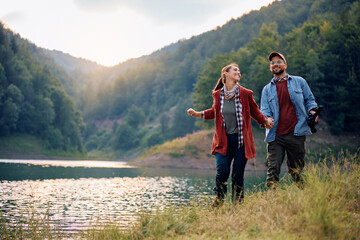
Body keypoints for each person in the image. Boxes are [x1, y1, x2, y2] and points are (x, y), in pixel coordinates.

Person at [187, 63, 274, 205]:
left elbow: (255, 111)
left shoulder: (246, 94)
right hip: (223, 141)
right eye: (235, 70)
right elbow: (214, 112)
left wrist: (265, 121)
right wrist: (197, 114)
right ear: (225, 74)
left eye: (239, 70)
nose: (238, 72)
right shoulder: (217, 95)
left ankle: (237, 205)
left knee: (237, 175)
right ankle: (219, 199)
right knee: (222, 171)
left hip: (241, 142)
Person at [260, 51, 319, 189]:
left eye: (279, 61)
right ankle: (271, 203)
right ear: (270, 67)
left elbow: (310, 100)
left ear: (285, 65)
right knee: (272, 170)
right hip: (275, 135)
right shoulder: (267, 89)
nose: (275, 64)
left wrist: (313, 111)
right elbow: (264, 110)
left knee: (296, 171)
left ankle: (307, 196)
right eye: (272, 63)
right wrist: (266, 118)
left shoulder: (299, 82)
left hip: (296, 133)